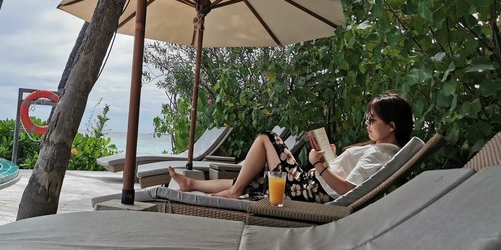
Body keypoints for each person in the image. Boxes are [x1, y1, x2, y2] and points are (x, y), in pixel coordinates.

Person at [169, 92, 414, 203]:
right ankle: (191, 184)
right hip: (314, 186)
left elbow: (350, 190)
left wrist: (318, 165)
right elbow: (349, 177)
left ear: (391, 126)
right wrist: (330, 160)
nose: (367, 123)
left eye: (372, 119)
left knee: (266, 138)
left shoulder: (381, 155)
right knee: (257, 180)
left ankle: (233, 192)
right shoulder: (380, 150)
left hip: (313, 191)